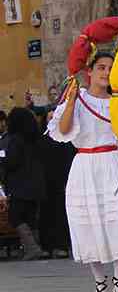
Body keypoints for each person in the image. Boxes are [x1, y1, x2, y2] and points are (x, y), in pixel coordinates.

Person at [48, 52, 118, 292]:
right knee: (89, 221)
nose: (106, 72)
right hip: (85, 164)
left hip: (112, 162)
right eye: (101, 67)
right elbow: (64, 130)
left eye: (111, 68)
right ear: (89, 71)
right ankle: (99, 281)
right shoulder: (78, 99)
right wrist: (70, 103)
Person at [0, 107, 47, 260]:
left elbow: (12, 162)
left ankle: (32, 248)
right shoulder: (37, 138)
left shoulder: (15, 140)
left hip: (20, 185)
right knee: (31, 217)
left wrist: (2, 160)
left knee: (15, 216)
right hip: (36, 185)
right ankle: (35, 246)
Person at [38, 109, 76, 259]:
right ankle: (46, 246)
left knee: (61, 214)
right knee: (46, 214)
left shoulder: (66, 138)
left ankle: (61, 245)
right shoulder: (42, 138)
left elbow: (70, 160)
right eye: (49, 117)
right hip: (45, 183)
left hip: (62, 181)